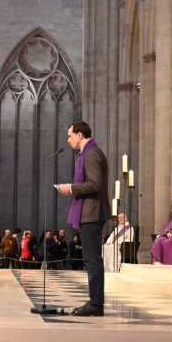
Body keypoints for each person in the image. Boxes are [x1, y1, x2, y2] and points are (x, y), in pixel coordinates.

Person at [56, 121, 108, 315]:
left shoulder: (92, 154)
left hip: (92, 212)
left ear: (79, 135)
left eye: (70, 135)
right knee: (90, 258)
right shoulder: (86, 154)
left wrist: (71, 188)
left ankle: (96, 305)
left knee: (92, 259)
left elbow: (95, 184)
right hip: (89, 212)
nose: (68, 140)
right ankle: (94, 301)